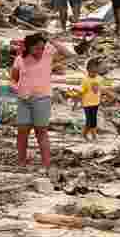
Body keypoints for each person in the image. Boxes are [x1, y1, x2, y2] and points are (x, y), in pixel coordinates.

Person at [11, 33, 76, 169]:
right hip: (24, 99)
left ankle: (46, 163)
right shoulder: (20, 59)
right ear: (28, 47)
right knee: (22, 131)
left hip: (42, 99)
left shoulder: (47, 55)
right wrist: (19, 88)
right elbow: (14, 76)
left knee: (41, 131)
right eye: (36, 48)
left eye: (41, 48)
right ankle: (21, 162)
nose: (39, 51)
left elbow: (69, 54)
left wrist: (51, 40)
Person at [78, 58, 104, 142]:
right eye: (93, 70)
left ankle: (93, 135)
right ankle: (84, 134)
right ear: (88, 69)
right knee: (89, 121)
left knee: (94, 120)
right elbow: (81, 92)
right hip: (87, 103)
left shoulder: (100, 79)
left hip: (96, 102)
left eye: (97, 69)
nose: (95, 72)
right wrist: (77, 103)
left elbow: (103, 89)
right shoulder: (85, 80)